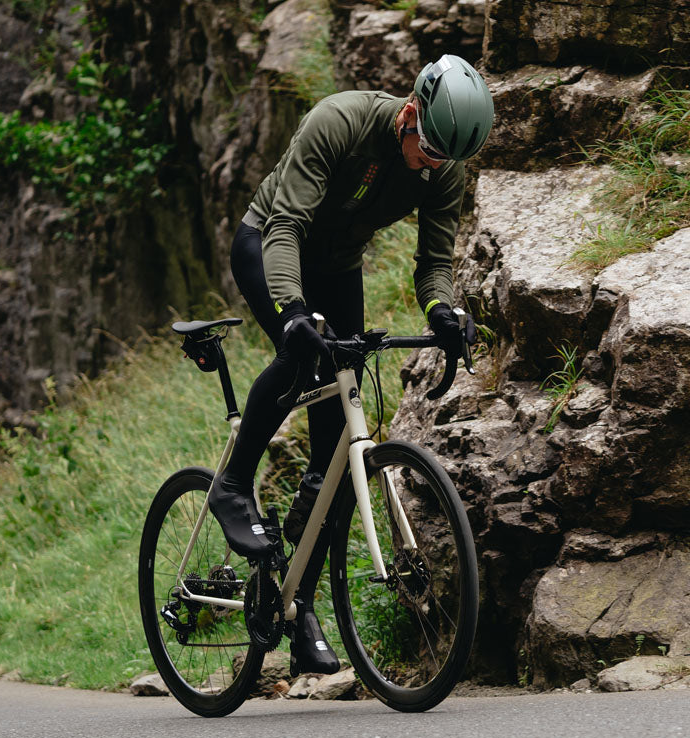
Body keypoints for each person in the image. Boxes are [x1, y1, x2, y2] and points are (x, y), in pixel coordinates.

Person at [207, 55, 494, 674]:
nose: (433, 165)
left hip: (337, 266)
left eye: (447, 159)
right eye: (429, 150)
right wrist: (293, 314)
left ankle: (296, 604)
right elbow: (285, 226)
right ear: (411, 112)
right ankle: (231, 486)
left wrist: (442, 309)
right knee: (301, 357)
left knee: (336, 441)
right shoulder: (338, 122)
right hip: (271, 243)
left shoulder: (444, 163)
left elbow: (434, 262)